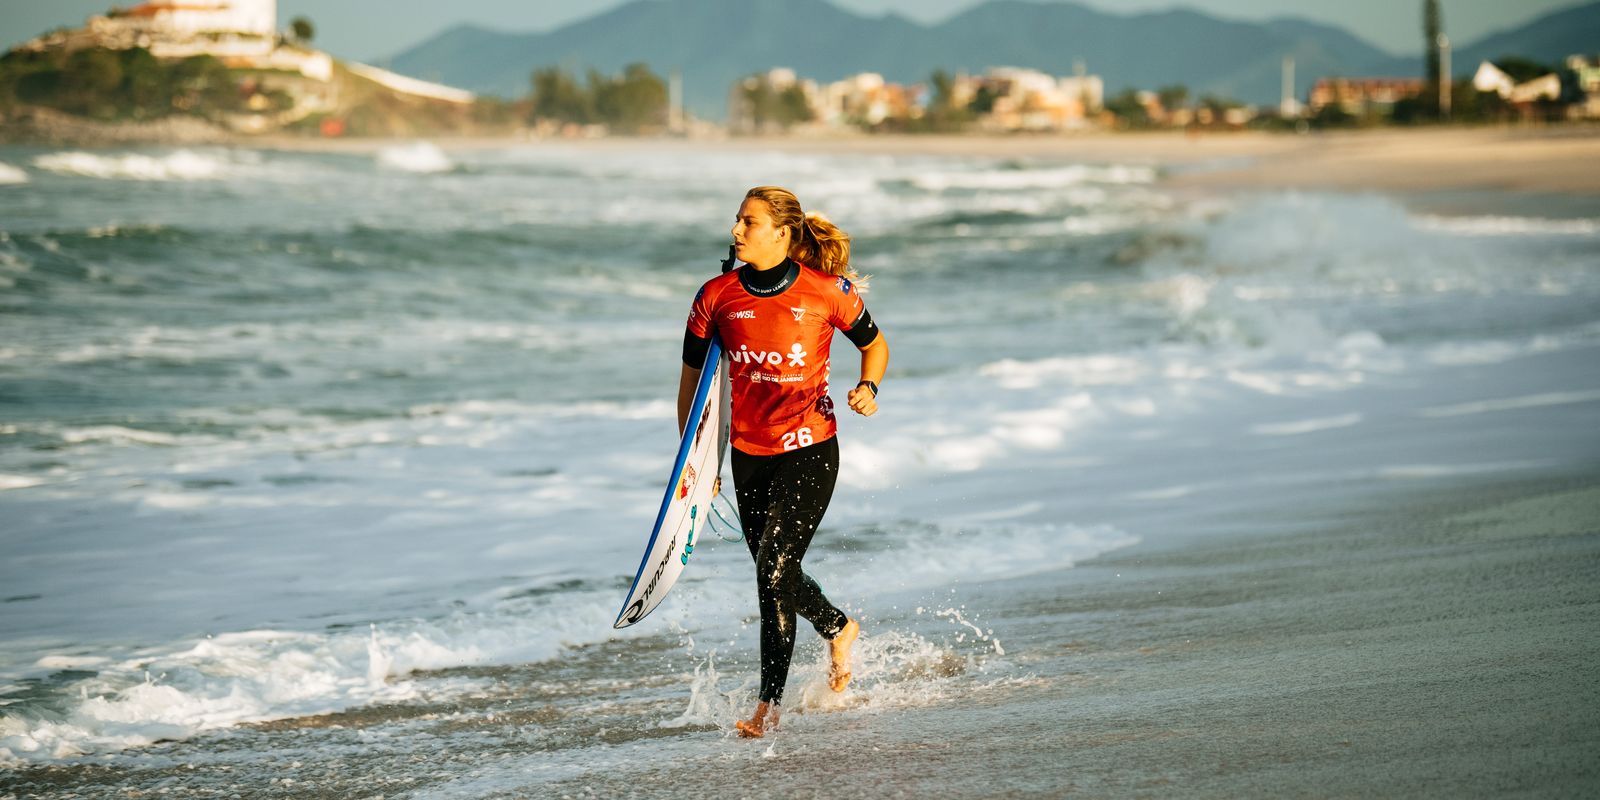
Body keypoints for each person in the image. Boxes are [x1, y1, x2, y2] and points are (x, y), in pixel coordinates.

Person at [679, 186, 889, 738]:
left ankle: (767, 709)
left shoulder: (825, 293)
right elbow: (692, 386)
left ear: (782, 233)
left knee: (773, 570)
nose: (736, 231)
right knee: (773, 575)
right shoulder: (715, 297)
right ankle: (837, 627)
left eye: (749, 222)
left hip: (811, 448)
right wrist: (694, 460)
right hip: (750, 454)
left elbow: (875, 343)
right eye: (738, 221)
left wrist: (869, 384)